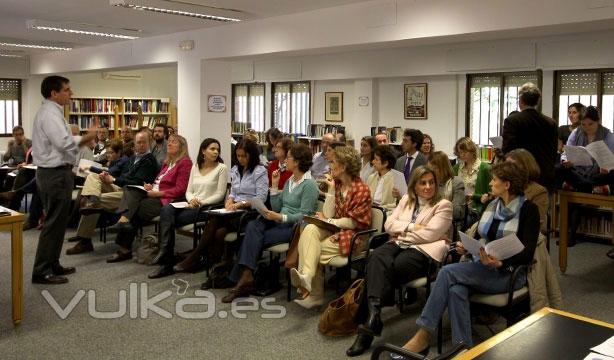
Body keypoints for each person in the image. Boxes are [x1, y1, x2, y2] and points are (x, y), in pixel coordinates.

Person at [398, 161, 539, 353]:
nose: (490, 184)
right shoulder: (492, 205)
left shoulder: (528, 210)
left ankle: (423, 334)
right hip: (481, 266)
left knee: (447, 273)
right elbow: (482, 236)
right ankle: (463, 350)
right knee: (456, 290)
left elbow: (528, 253)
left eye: (494, 180)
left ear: (507, 185)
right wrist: (469, 247)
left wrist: (501, 261)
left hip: (509, 273)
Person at [347, 166, 453, 356]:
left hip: (423, 251)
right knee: (375, 257)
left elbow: (430, 235)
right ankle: (374, 315)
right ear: (415, 185)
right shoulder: (406, 199)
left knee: (386, 269)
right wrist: (413, 226)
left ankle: (367, 328)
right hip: (398, 243)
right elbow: (388, 224)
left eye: (431, 183)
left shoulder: (443, 205)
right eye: (423, 183)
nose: (428, 187)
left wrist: (403, 233)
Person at [222, 143, 319, 302]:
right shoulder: (290, 180)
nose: (285, 161)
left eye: (288, 158)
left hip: (293, 227)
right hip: (279, 220)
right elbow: (278, 207)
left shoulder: (309, 185)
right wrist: (274, 186)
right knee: (253, 225)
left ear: (297, 161)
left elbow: (306, 216)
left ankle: (241, 278)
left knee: (252, 238)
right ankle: (245, 277)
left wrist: (281, 217)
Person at [173, 139, 268, 281]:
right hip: (234, 211)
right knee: (218, 232)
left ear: (252, 155)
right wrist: (230, 199)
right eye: (238, 156)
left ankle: (196, 256)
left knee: (214, 219)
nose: (240, 159)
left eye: (244, 156)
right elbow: (234, 192)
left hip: (250, 213)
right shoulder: (236, 169)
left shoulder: (260, 171)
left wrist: (240, 204)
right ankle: (217, 268)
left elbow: (261, 198)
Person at [290, 146, 372, 309]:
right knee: (310, 229)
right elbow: (328, 214)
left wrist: (332, 222)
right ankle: (307, 277)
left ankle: (313, 293)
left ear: (344, 166)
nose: (329, 166)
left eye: (333, 162)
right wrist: (332, 190)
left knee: (312, 249)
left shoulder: (361, 189)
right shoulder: (339, 185)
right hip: (337, 230)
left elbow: (353, 223)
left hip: (356, 236)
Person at [65, 131, 158, 255]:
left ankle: (84, 239)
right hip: (121, 187)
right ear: (134, 144)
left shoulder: (149, 160)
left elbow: (137, 182)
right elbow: (122, 175)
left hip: (132, 195)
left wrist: (113, 180)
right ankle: (92, 201)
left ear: (149, 143)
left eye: (143, 142)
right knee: (93, 177)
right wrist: (108, 176)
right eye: (138, 142)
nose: (140, 145)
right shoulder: (133, 158)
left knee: (91, 202)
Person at [148, 138, 228, 278]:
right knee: (167, 210)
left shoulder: (221, 168)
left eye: (217, 149)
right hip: (190, 204)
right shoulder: (196, 166)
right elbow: (188, 191)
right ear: (203, 151)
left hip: (207, 207)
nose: (216, 152)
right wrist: (191, 199)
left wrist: (200, 202)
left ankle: (165, 259)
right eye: (212, 149)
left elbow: (220, 195)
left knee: (167, 217)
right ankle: (166, 255)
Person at [106, 134, 192, 263]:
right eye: (169, 142)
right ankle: (124, 224)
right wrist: (150, 186)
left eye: (174, 142)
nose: (169, 144)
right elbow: (158, 181)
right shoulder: (167, 163)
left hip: (166, 200)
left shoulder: (185, 163)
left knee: (133, 208)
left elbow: (180, 189)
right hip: (152, 194)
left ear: (182, 147)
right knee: (131, 190)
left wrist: (158, 193)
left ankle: (124, 242)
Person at [30, 75, 78, 285]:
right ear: (54, 93)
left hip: (59, 173)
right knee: (52, 224)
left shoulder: (54, 112)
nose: (71, 93)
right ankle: (41, 270)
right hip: (54, 174)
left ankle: (53, 263)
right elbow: (64, 143)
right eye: (67, 90)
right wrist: (84, 138)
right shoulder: (49, 114)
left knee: (59, 224)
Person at [502, 82, 558, 193]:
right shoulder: (551, 123)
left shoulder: (512, 120)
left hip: (521, 178)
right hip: (545, 178)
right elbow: (553, 152)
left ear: (521, 101)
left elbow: (508, 150)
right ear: (537, 101)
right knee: (542, 209)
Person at [558, 106, 614, 192]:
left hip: (598, 173)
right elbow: (566, 151)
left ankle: (583, 185)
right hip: (578, 171)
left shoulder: (607, 134)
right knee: (559, 168)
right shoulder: (576, 132)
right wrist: (565, 160)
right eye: (583, 124)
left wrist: (607, 167)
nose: (587, 127)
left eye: (590, 124)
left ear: (597, 121)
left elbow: (611, 158)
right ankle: (589, 185)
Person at [453, 137, 492, 220]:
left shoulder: (485, 168)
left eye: (465, 152)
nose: (462, 155)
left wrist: (474, 196)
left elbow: (491, 195)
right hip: (459, 208)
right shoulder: (456, 168)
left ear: (472, 151)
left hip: (477, 210)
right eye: (460, 152)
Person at [428, 151, 465, 232]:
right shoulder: (430, 182)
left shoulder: (456, 183)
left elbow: (457, 212)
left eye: (434, 169)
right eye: (429, 169)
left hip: (450, 225)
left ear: (443, 168)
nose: (430, 172)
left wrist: (434, 209)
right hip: (430, 221)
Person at [366, 145, 401, 213]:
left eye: (376, 159)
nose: (373, 162)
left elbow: (398, 204)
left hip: (386, 213)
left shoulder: (397, 178)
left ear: (385, 163)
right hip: (370, 211)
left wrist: (380, 209)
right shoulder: (371, 177)